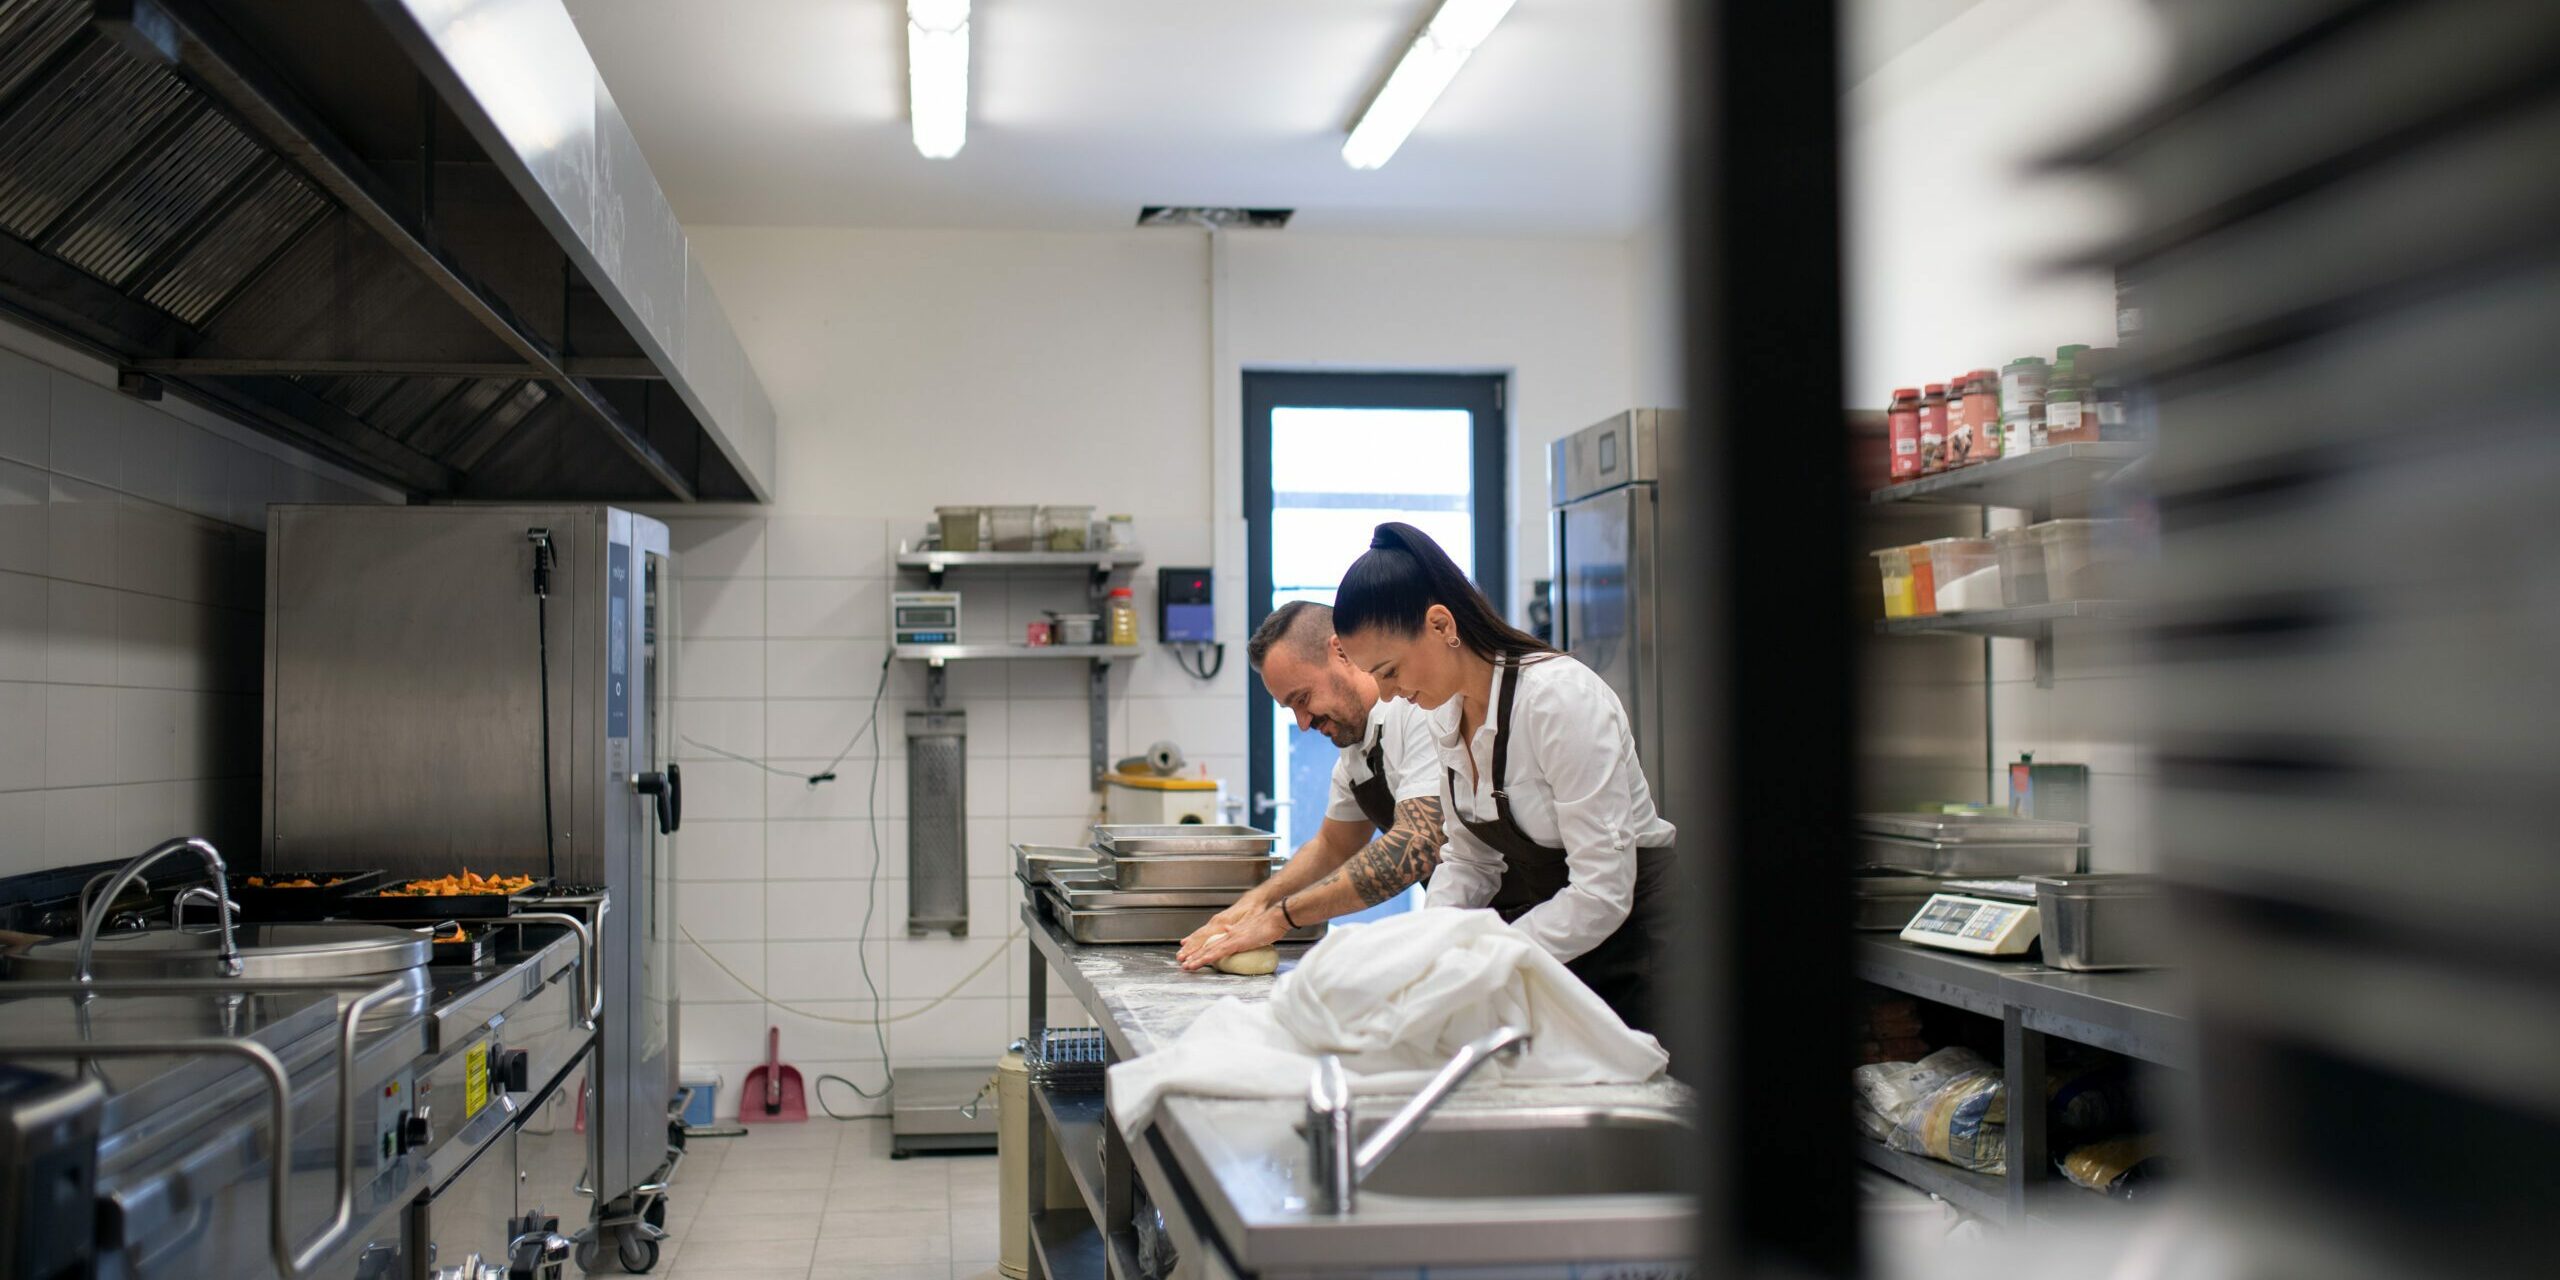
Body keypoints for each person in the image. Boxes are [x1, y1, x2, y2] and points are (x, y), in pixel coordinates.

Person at [1331, 521, 1677, 1035]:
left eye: (1389, 670)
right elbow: (1470, 860)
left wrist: (1485, 954)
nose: (1385, 694)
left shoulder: (1557, 700)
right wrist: (1425, 952)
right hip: (1568, 955)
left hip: (1649, 956)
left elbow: (1603, 892)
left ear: (1442, 625)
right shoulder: (1444, 714)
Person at [1175, 600, 1445, 971]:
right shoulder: (1354, 756)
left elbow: (1416, 844)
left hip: (1525, 924)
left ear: (1341, 652)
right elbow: (1332, 847)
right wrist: (1256, 902)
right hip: (1466, 929)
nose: (1303, 723)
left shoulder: (1418, 711)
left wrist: (1281, 916)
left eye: (1303, 699)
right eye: (1291, 710)